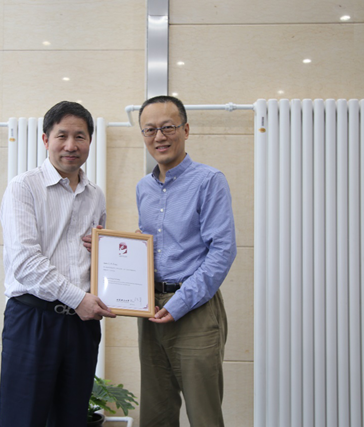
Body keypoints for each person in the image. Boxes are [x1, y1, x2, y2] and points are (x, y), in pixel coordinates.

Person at [0, 101, 116, 427]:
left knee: (71, 418)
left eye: (80, 136)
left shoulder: (96, 195)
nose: (71, 145)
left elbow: (95, 258)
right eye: (62, 135)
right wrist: (78, 299)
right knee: (23, 419)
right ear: (45, 139)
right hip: (33, 320)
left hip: (81, 326)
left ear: (90, 141)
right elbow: (25, 262)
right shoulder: (24, 187)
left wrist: (115, 253)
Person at [135, 95, 237, 427]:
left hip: (195, 309)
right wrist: (115, 249)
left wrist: (180, 302)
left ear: (186, 130)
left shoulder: (209, 180)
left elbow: (222, 251)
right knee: (156, 414)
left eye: (168, 127)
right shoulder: (144, 188)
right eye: (150, 130)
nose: (159, 137)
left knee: (204, 416)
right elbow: (152, 244)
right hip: (150, 309)